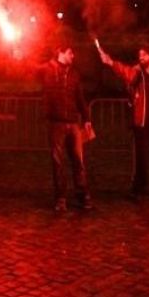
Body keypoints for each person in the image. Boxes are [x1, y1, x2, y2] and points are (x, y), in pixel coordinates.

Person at [97, 40, 149, 198]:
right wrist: (110, 62)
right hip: (142, 124)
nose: (141, 57)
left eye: (144, 55)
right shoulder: (136, 73)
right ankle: (139, 189)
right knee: (142, 159)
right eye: (139, 55)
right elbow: (123, 70)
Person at [36, 45, 93, 211]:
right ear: (60, 53)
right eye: (70, 53)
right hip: (56, 124)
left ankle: (83, 196)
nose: (73, 56)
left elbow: (80, 97)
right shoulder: (47, 69)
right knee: (58, 162)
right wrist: (17, 54)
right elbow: (29, 68)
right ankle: (61, 198)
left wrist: (87, 118)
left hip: (73, 123)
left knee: (78, 161)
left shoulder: (74, 74)